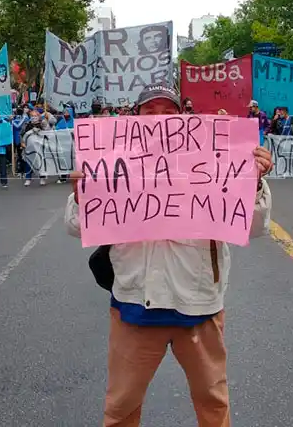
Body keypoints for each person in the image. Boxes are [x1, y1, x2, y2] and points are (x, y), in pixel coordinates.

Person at [65, 83, 273, 427]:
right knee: (120, 409)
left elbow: (254, 228)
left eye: (168, 112)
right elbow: (76, 227)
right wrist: (82, 194)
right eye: (150, 112)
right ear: (135, 119)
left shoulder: (212, 157)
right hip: (134, 306)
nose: (159, 120)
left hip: (199, 307)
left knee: (213, 404)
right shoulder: (113, 161)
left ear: (183, 118)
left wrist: (252, 182)